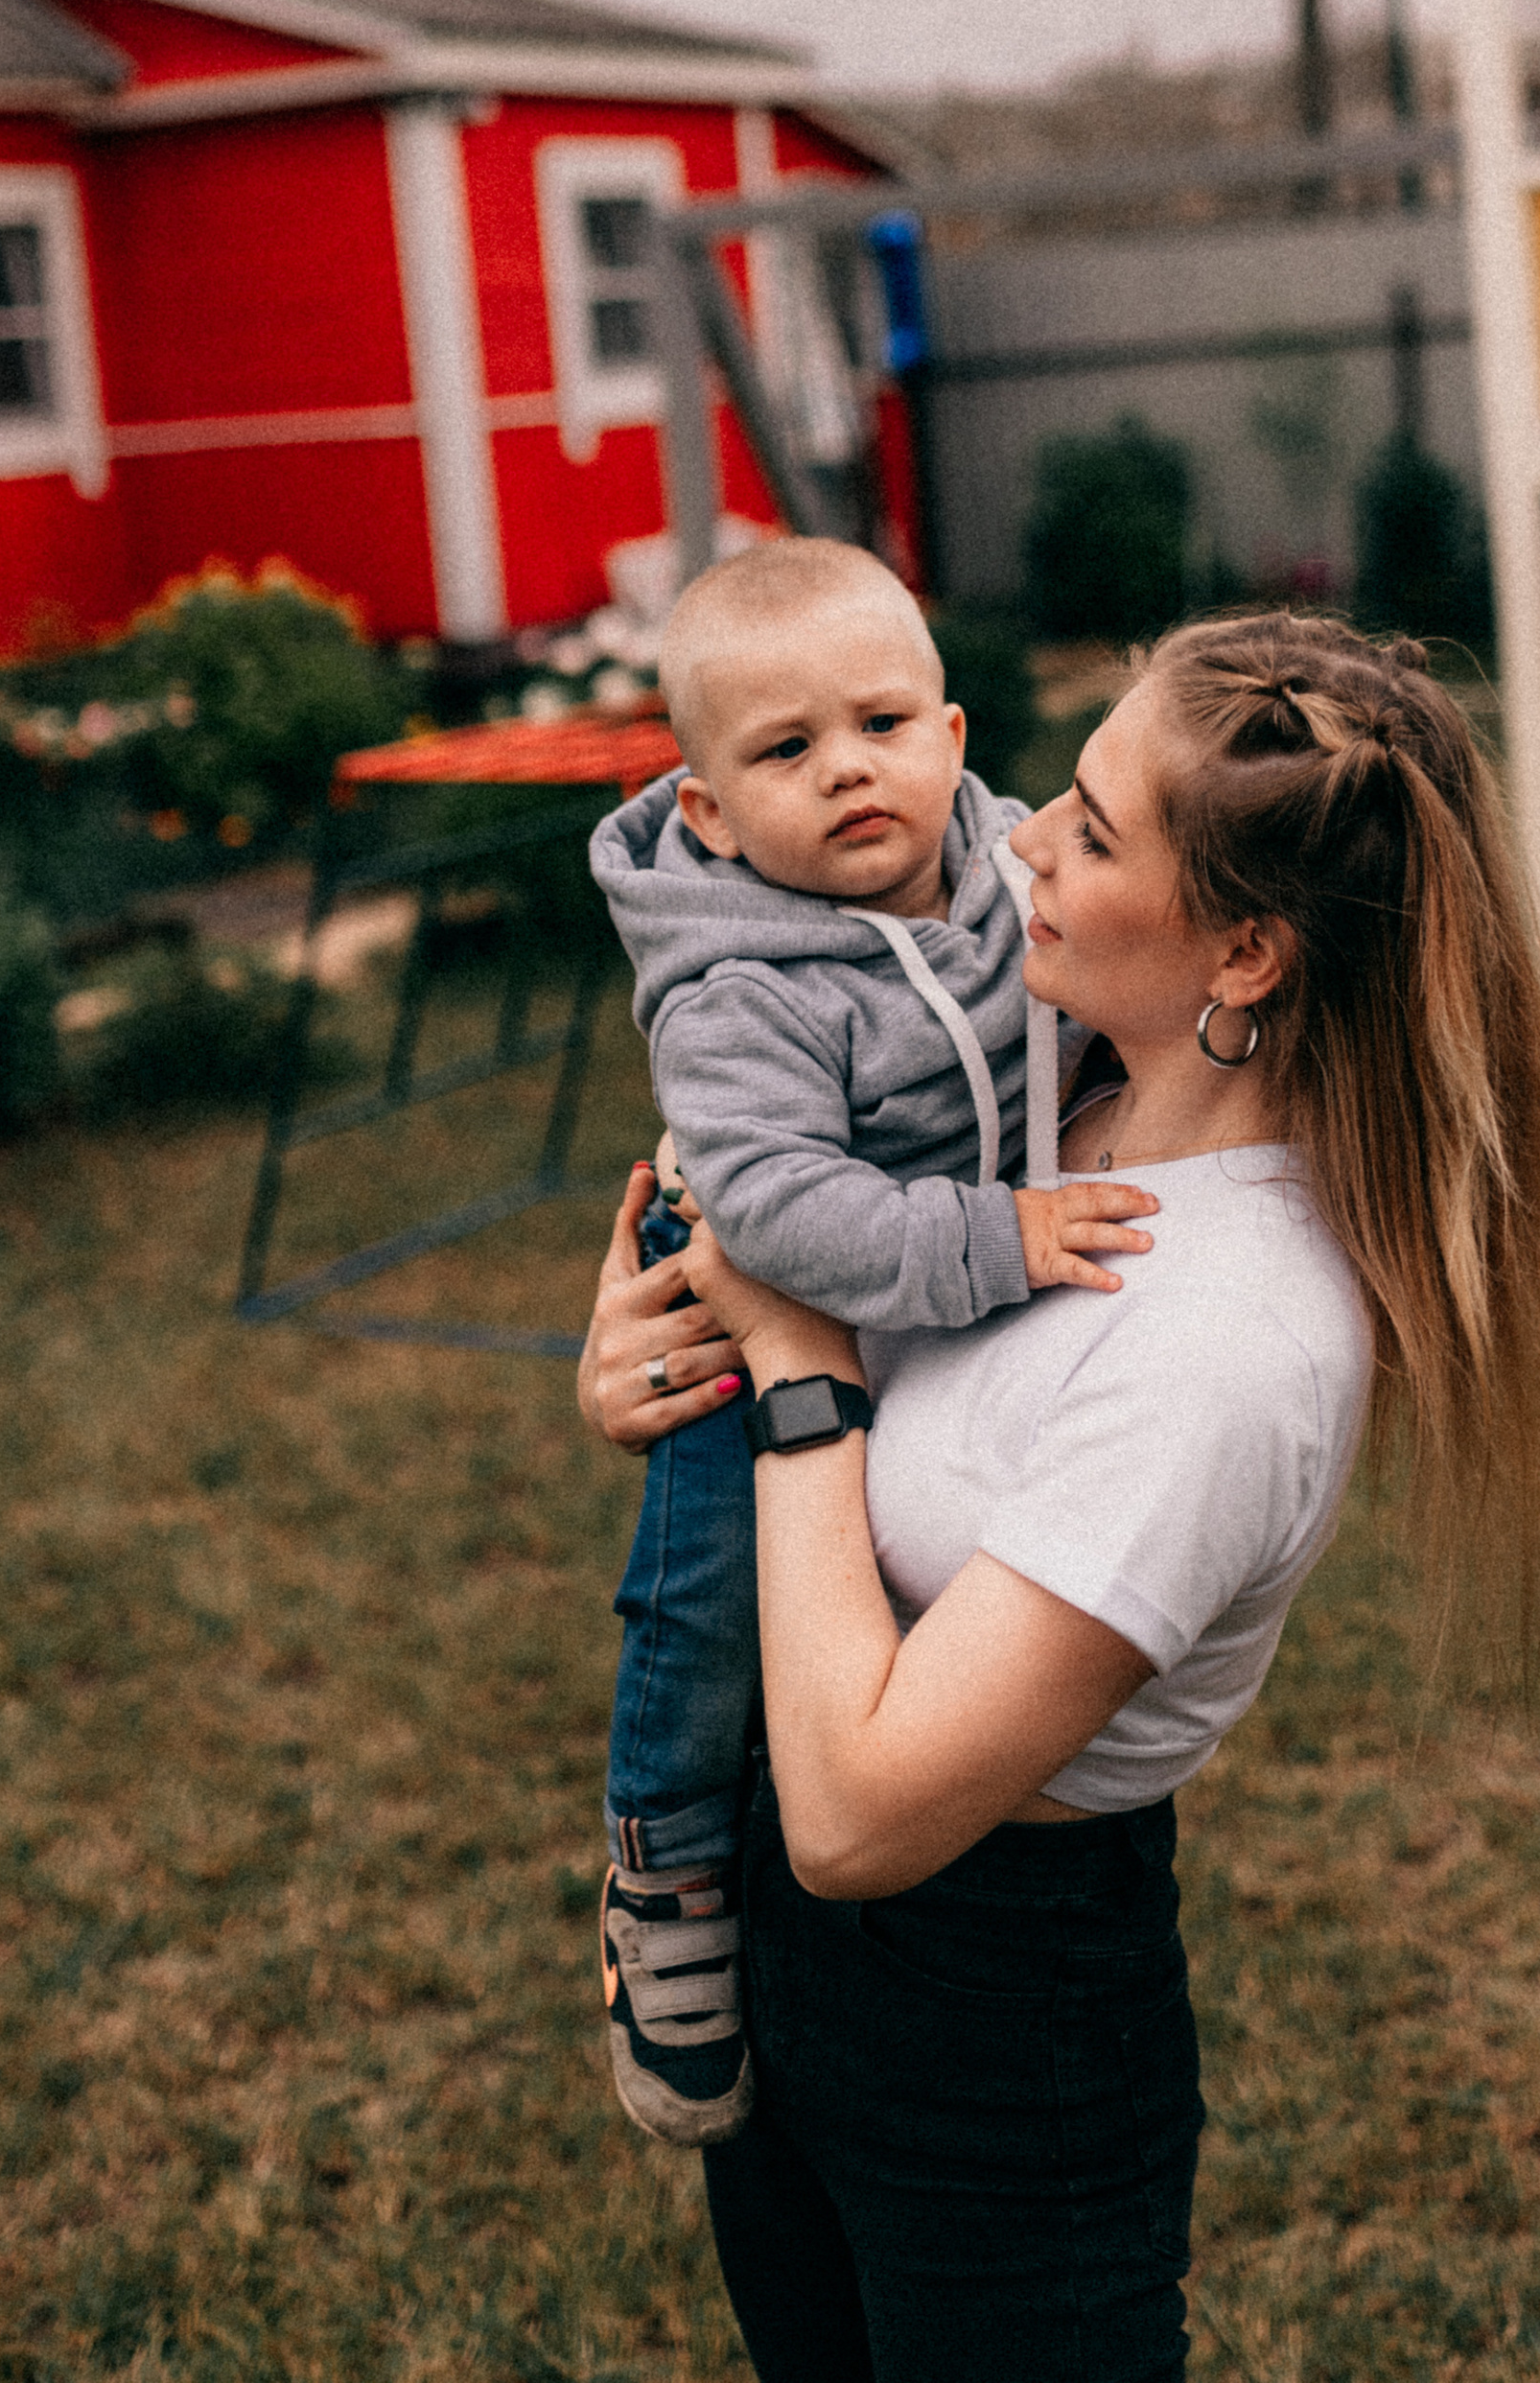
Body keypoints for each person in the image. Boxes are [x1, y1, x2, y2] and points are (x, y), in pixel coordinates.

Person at [578, 607, 1540, 2380]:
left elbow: (863, 1817)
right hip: (791, 1982)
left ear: (1246, 955)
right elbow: (783, 1216)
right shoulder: (1056, 1101)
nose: (1017, 836)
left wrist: (796, 1372)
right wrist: (660, 1354)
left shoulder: (1233, 1341)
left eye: (1093, 825)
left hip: (997, 2034)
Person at [586, 537, 1161, 2140]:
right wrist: (1004, 1238)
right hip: (760, 1284)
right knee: (711, 1603)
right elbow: (773, 1211)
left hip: (929, 1272)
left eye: (883, 726)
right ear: (706, 810)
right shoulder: (733, 989)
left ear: (958, 740)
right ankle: (667, 1860)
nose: (848, 770)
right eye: (784, 751)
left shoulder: (1008, 867)